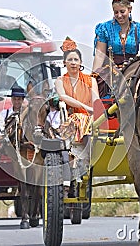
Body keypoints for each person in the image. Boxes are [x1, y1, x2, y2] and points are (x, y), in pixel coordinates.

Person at [55, 37, 99, 184]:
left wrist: (93, 112)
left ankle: (85, 158)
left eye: (76, 60)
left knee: (89, 120)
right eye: (70, 60)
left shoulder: (90, 80)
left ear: (80, 62)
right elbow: (63, 96)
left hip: (92, 118)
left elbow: (96, 100)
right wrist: (85, 107)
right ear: (64, 63)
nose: (73, 63)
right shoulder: (60, 81)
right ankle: (81, 160)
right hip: (70, 120)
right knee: (79, 118)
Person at [92, 0, 140, 72]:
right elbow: (99, 56)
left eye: (122, 11)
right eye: (116, 12)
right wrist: (93, 76)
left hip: (133, 71)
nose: (119, 15)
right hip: (110, 72)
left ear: (130, 9)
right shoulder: (104, 29)